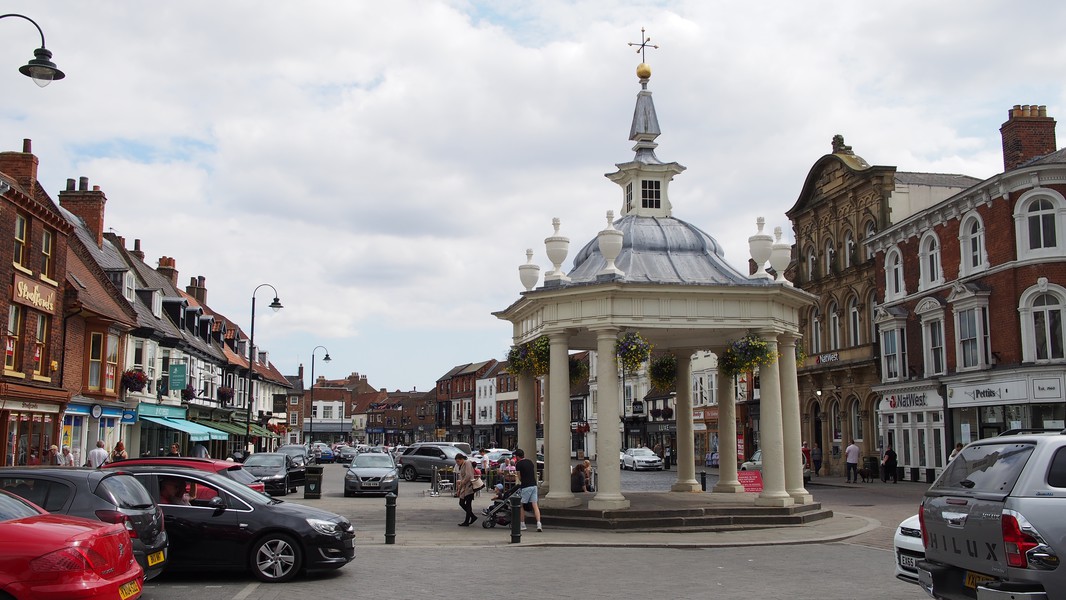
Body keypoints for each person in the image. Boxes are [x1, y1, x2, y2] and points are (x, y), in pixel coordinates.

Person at [514, 448, 541, 532]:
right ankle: (539, 523)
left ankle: (522, 523)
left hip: (526, 486)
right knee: (535, 505)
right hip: (534, 485)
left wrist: (522, 481)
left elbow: (519, 476)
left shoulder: (518, 464)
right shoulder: (530, 462)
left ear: (517, 457)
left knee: (521, 505)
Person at [454, 453, 477, 526]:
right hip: (464, 486)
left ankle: (468, 520)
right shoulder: (462, 465)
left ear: (462, 459)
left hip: (469, 486)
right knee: (463, 503)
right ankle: (472, 517)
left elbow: (468, 475)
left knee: (467, 504)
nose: (457, 463)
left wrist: (462, 483)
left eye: (458, 461)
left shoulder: (467, 463)